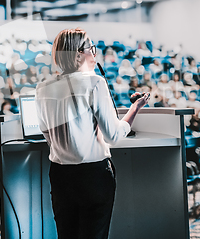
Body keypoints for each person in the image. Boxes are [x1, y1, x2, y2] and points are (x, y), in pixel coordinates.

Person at [35, 28, 149, 239]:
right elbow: (113, 136)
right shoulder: (95, 82)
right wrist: (135, 109)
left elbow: (46, 134)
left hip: (60, 175)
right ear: (78, 54)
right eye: (90, 47)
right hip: (93, 176)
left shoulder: (43, 88)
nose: (94, 52)